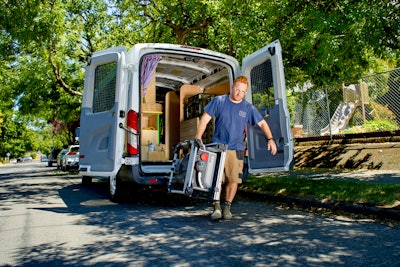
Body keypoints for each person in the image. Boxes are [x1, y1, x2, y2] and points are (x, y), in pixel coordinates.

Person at [195, 75, 277, 220]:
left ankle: (227, 207)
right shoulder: (219, 101)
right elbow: (205, 119)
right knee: (216, 179)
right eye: (237, 89)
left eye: (243, 91)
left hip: (237, 148)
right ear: (232, 87)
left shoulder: (248, 108)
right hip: (218, 147)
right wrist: (198, 136)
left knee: (234, 180)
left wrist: (270, 139)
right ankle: (216, 207)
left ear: (245, 92)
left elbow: (262, 123)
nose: (239, 93)